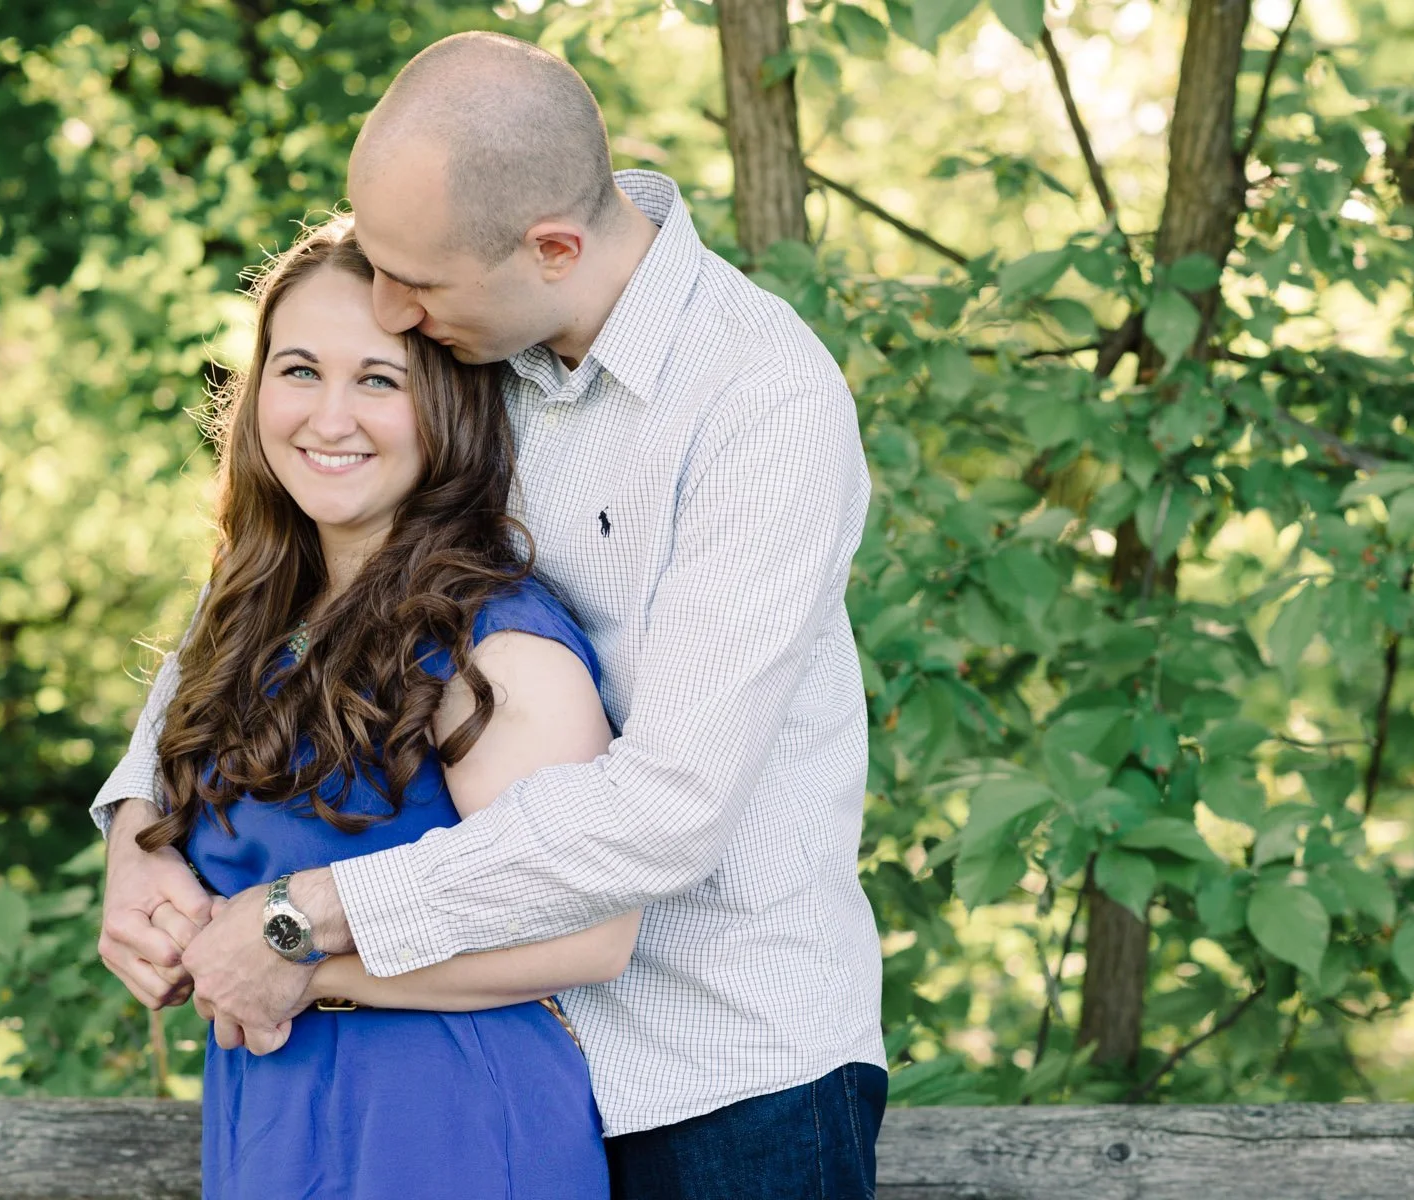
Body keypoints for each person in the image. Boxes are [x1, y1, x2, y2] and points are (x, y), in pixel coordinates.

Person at [94, 30, 887, 1199]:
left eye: (413, 288)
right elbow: (294, 567)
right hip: (477, 1044)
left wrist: (298, 924)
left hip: (721, 1071)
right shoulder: (482, 325)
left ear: (553, 247)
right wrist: (137, 820)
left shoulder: (761, 406)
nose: (389, 312)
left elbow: (669, 812)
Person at [134, 215, 629, 1198]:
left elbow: (591, 933)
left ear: (447, 405)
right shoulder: (257, 612)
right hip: (276, 1115)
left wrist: (303, 968)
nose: (328, 417)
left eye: (379, 380)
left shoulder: (495, 638)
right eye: (299, 369)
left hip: (446, 1123)